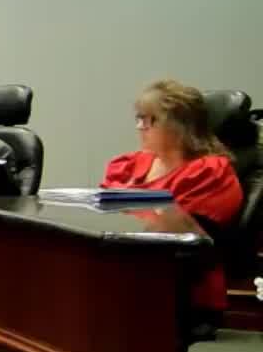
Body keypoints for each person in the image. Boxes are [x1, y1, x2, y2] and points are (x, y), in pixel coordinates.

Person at [102, 80, 242, 309]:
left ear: (180, 125)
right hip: (122, 270)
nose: (140, 127)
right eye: (138, 119)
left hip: (177, 284)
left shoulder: (210, 171)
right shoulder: (128, 165)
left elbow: (180, 233)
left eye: (149, 119)